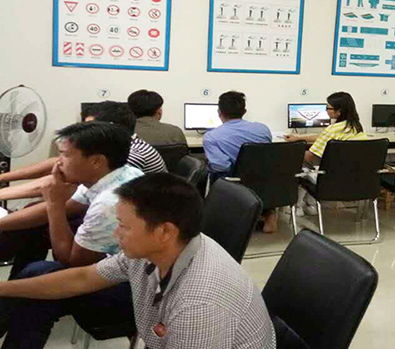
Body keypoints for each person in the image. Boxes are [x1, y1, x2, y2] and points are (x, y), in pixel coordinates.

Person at [0, 173, 276, 349]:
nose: (116, 234)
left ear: (165, 231)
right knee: (37, 289)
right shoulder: (158, 249)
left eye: (123, 226)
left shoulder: (199, 304)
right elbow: (83, 278)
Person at [0, 122, 143, 278]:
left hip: (124, 279)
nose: (58, 162)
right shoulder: (121, 172)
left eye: (65, 155)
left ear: (96, 161)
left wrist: (55, 205)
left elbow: (72, 261)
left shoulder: (108, 203)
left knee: (35, 270)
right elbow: (58, 208)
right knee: (33, 221)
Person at [0, 102, 166, 202]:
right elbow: (57, 164)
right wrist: (3, 177)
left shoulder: (130, 156)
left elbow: (64, 185)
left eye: (90, 127)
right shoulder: (117, 145)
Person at [285, 92, 367, 217]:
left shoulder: (332, 130)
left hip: (329, 181)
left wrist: (291, 154)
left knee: (299, 165)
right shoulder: (357, 128)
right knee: (312, 167)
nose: (326, 111)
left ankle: (298, 206)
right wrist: (300, 137)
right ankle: (311, 205)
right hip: (354, 179)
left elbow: (310, 156)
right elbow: (324, 136)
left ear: (339, 111)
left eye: (328, 108)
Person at [202, 92, 274, 231]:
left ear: (219, 112)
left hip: (236, 183)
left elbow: (221, 167)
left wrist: (208, 162)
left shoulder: (211, 136)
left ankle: (222, 216)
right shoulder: (262, 129)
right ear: (244, 111)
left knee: (210, 170)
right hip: (265, 181)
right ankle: (269, 213)